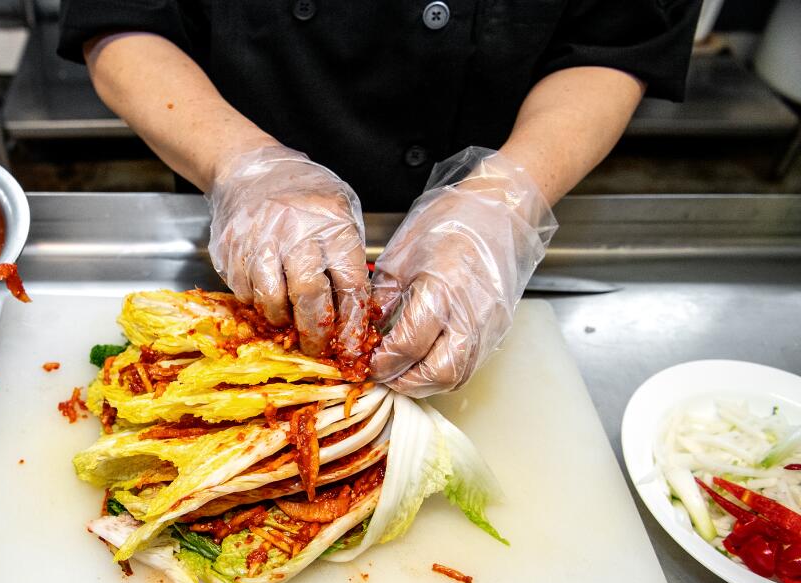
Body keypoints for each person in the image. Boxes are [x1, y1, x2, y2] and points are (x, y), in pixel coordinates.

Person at [58, 1, 701, 396]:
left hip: (486, 202)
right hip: (235, 207)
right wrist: (243, 166)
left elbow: (617, 41)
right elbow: (122, 21)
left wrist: (503, 199)